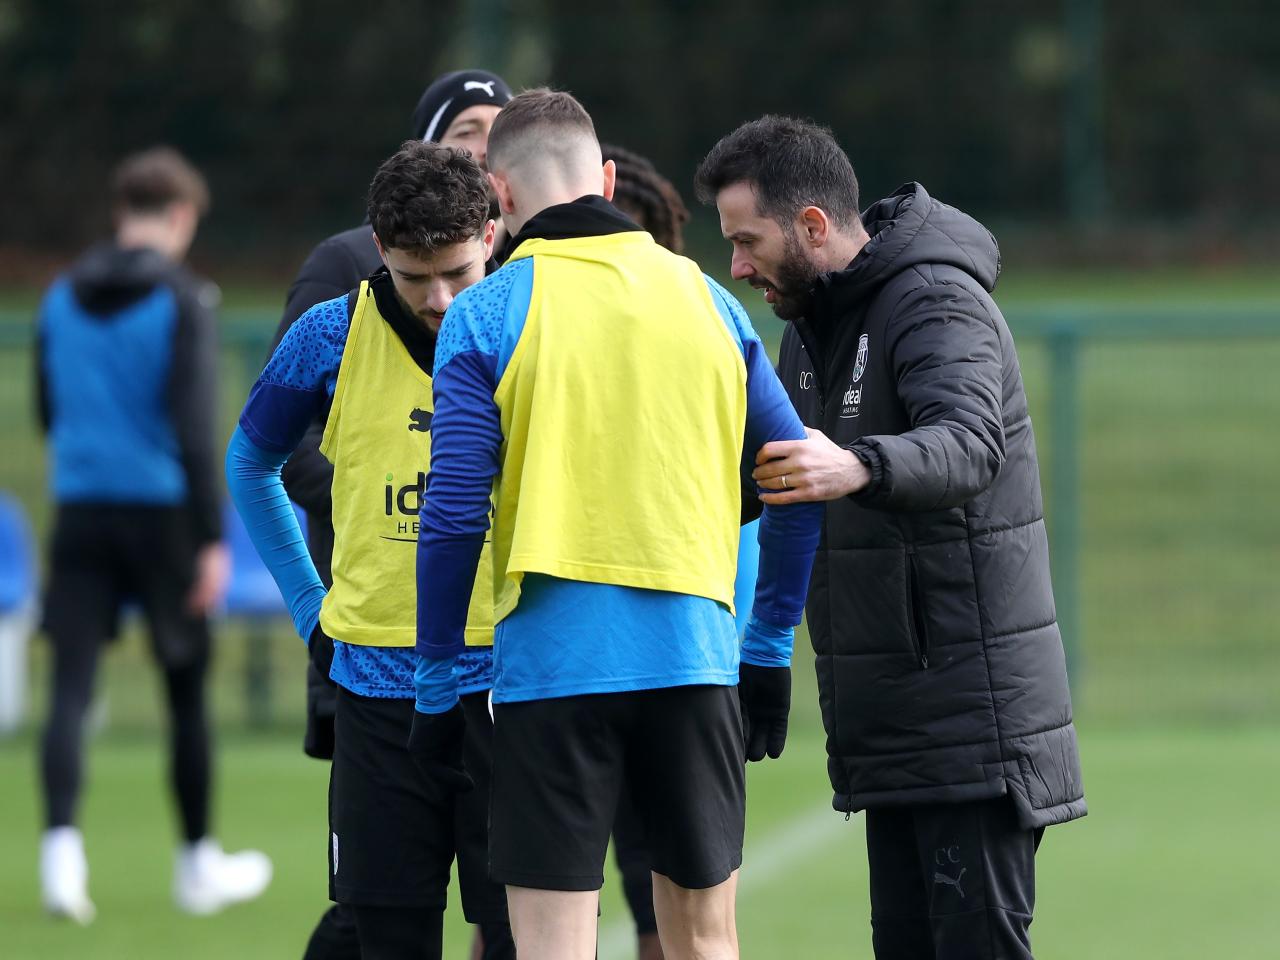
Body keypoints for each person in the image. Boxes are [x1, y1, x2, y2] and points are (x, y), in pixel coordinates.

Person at [411, 90, 823, 960]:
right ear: (603, 176)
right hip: (693, 661)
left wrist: (438, 677)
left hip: (552, 674)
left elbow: (450, 514)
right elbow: (794, 476)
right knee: (704, 941)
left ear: (499, 198)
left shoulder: (485, 313)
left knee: (555, 945)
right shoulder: (711, 301)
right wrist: (771, 645)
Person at [695, 115, 1087, 959]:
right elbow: (766, 479)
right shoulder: (810, 326)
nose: (735, 266)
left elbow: (970, 442)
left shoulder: (935, 298)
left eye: (746, 240)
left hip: (969, 729)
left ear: (810, 226)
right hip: (891, 730)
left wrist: (860, 465)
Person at [228, 141, 509, 960]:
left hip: (513, 688)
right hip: (375, 694)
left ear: (491, 234)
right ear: (380, 249)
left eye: (458, 271)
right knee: (384, 937)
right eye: (417, 276)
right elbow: (250, 463)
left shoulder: (537, 327)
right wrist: (312, 610)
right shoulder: (329, 333)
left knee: (532, 938)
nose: (443, 299)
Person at [34, 147, 272, 923]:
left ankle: (60, 858)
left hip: (80, 508)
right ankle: (197, 862)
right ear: (179, 217)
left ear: (119, 213)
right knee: (184, 693)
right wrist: (211, 537)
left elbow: (44, 409)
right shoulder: (184, 298)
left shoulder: (59, 297)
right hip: (164, 515)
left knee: (70, 688)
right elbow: (197, 428)